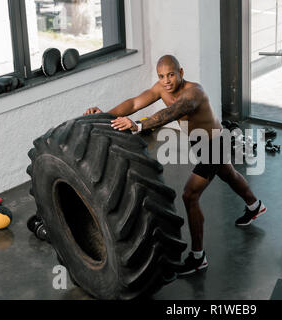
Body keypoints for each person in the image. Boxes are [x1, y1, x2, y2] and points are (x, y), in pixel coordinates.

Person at [84, 55, 266, 275]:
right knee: (228, 174)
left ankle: (198, 258)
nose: (166, 81)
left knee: (190, 195)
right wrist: (104, 115)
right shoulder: (161, 89)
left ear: (181, 71)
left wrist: (139, 125)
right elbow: (134, 103)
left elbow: (171, 113)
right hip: (199, 142)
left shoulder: (194, 92)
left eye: (171, 74)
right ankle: (255, 206)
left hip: (215, 143)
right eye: (161, 76)